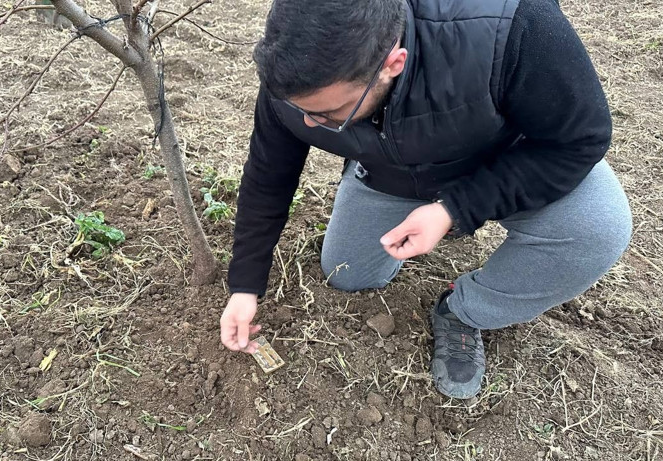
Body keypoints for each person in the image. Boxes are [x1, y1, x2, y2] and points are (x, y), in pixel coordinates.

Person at [218, 0, 632, 399]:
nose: (311, 123)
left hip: (507, 159)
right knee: (347, 274)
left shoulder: (514, 24)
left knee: (596, 229)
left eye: (330, 115)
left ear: (392, 63)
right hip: (392, 173)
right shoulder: (295, 69)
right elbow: (268, 175)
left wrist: (455, 209)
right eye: (302, 110)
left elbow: (578, 142)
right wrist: (244, 286)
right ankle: (369, 169)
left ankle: (465, 310)